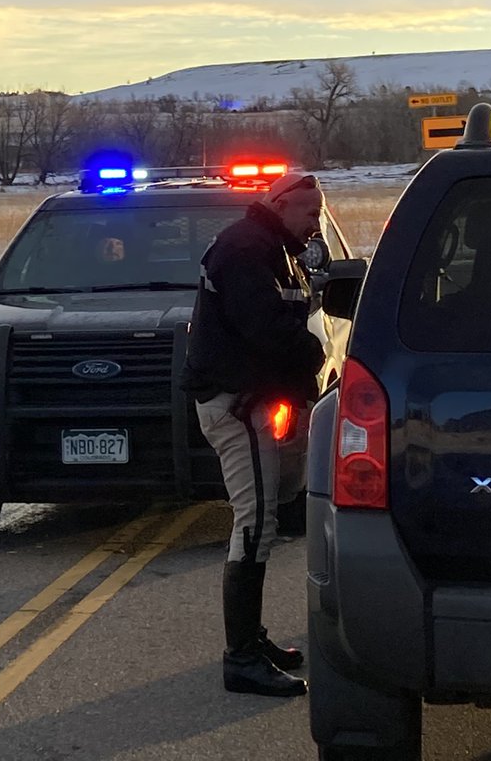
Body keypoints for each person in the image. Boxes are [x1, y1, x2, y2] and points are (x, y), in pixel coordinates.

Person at [181, 171, 325, 697]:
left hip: (254, 402)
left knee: (264, 519)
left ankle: (253, 638)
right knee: (255, 523)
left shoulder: (275, 248)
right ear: (281, 205)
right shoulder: (245, 249)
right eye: (309, 213)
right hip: (236, 405)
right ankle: (240, 658)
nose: (315, 223)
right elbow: (267, 330)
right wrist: (313, 355)